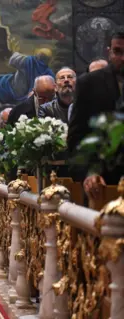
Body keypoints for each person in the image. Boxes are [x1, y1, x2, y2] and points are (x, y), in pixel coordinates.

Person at [68, 31, 124, 196]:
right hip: (102, 182)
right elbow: (77, 136)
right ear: (109, 52)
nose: (122, 58)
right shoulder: (89, 83)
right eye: (118, 51)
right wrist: (88, 173)